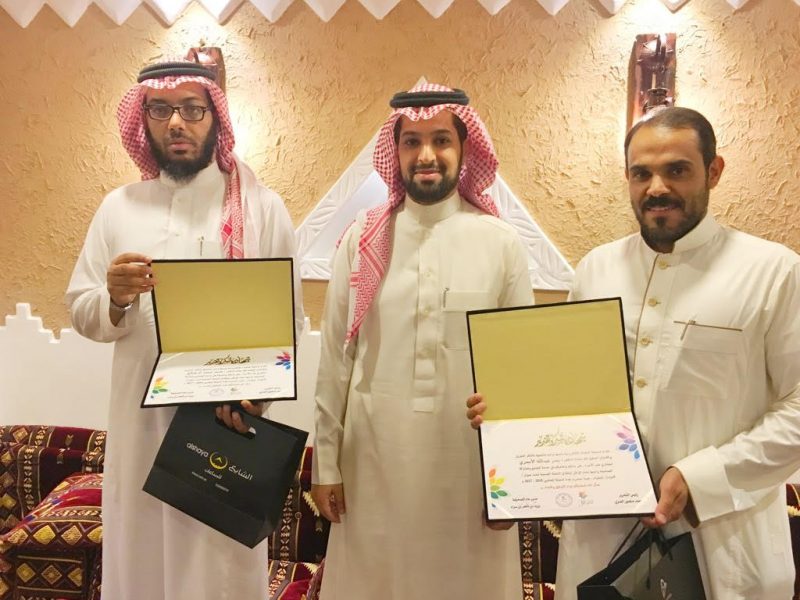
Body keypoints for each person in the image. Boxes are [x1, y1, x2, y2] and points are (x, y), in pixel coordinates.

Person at [467, 107, 800, 599]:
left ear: (713, 171)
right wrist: (511, 427)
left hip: (724, 548)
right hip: (601, 549)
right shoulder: (596, 270)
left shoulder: (773, 273)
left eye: (677, 170)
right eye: (642, 173)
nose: (657, 187)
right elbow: (569, 395)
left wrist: (699, 479)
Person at [66, 60, 303, 600]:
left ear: (215, 118)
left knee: (217, 571)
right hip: (140, 430)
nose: (177, 122)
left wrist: (256, 397)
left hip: (224, 428)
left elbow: (286, 320)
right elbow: (82, 309)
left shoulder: (262, 209)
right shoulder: (118, 208)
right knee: (142, 560)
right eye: (161, 109)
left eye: (193, 109)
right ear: (143, 119)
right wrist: (115, 299)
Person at [310, 84, 532, 599]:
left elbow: (520, 374)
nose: (426, 155)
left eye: (441, 140)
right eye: (412, 141)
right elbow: (336, 361)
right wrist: (325, 465)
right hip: (372, 468)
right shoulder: (362, 239)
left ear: (464, 148)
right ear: (396, 152)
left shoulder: (500, 243)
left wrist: (513, 486)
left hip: (467, 472)